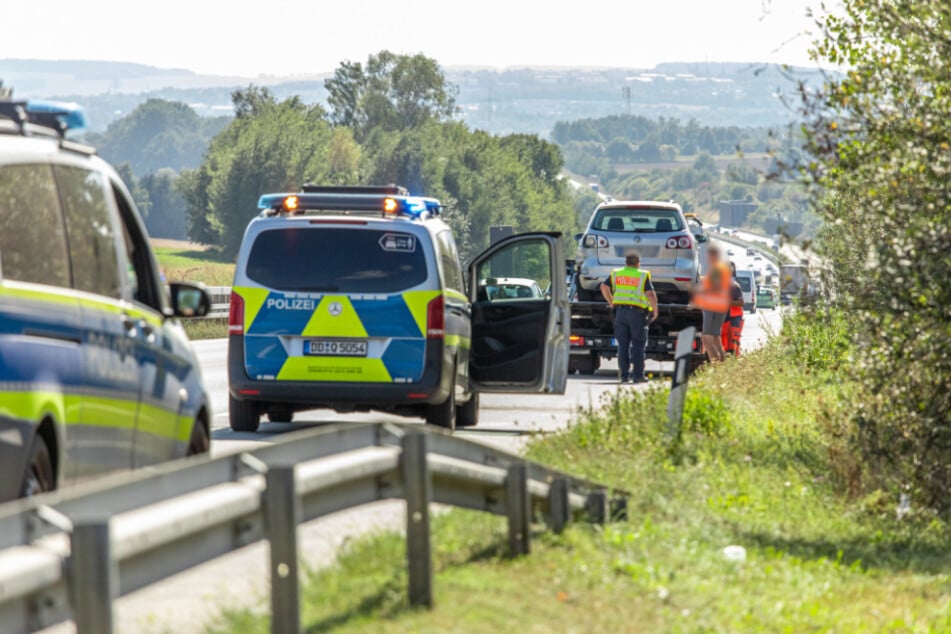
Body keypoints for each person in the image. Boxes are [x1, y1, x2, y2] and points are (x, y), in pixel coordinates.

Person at [600, 253, 659, 383]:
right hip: (637, 314)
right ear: (638, 262)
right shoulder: (642, 275)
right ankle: (638, 376)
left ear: (626, 263)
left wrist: (611, 302)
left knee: (623, 345)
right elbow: (650, 293)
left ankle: (624, 376)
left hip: (620, 312)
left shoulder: (617, 273)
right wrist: (655, 310)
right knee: (638, 345)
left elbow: (604, 287)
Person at [693, 245, 731, 363]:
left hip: (712, 306)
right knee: (715, 337)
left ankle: (715, 365)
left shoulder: (716, 269)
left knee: (706, 338)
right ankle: (722, 365)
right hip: (721, 306)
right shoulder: (723, 268)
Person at [722, 262, 744, 356]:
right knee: (724, 345)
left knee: (733, 347)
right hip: (724, 320)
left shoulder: (734, 286)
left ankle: (733, 364)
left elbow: (741, 302)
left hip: (733, 320)